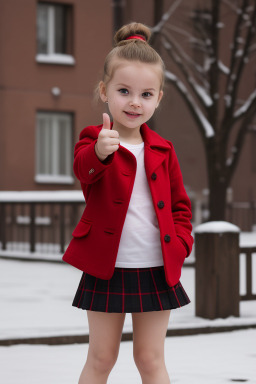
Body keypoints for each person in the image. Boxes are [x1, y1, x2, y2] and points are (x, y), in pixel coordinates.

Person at [62, 22, 194, 384]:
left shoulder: (164, 150)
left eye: (147, 94)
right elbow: (83, 172)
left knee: (150, 360)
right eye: (124, 91)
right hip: (107, 266)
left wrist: (181, 245)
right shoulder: (94, 141)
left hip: (156, 267)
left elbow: (182, 208)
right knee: (101, 358)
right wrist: (101, 153)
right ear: (105, 91)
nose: (135, 102)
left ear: (159, 98)